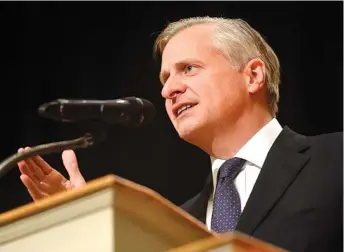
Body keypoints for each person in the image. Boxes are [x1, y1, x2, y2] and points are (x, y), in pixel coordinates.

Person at [17, 16, 342, 252]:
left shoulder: (335, 160)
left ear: (253, 75)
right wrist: (87, 229)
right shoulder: (177, 223)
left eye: (188, 68)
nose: (168, 89)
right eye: (165, 78)